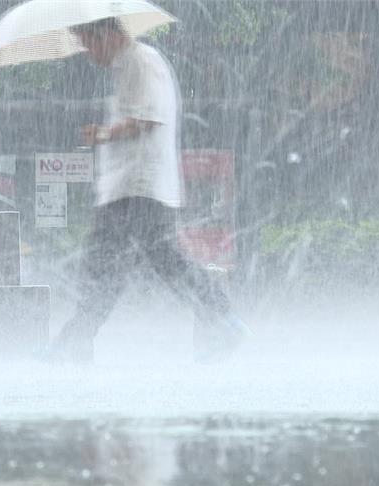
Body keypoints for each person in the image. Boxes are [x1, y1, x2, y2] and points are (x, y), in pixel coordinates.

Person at [46, 17, 249, 364]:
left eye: (89, 41)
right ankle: (222, 320)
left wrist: (104, 134)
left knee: (118, 265)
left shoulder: (142, 61)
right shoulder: (127, 66)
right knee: (128, 264)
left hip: (140, 187)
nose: (88, 52)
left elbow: (148, 119)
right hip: (128, 188)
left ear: (109, 34)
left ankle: (74, 341)